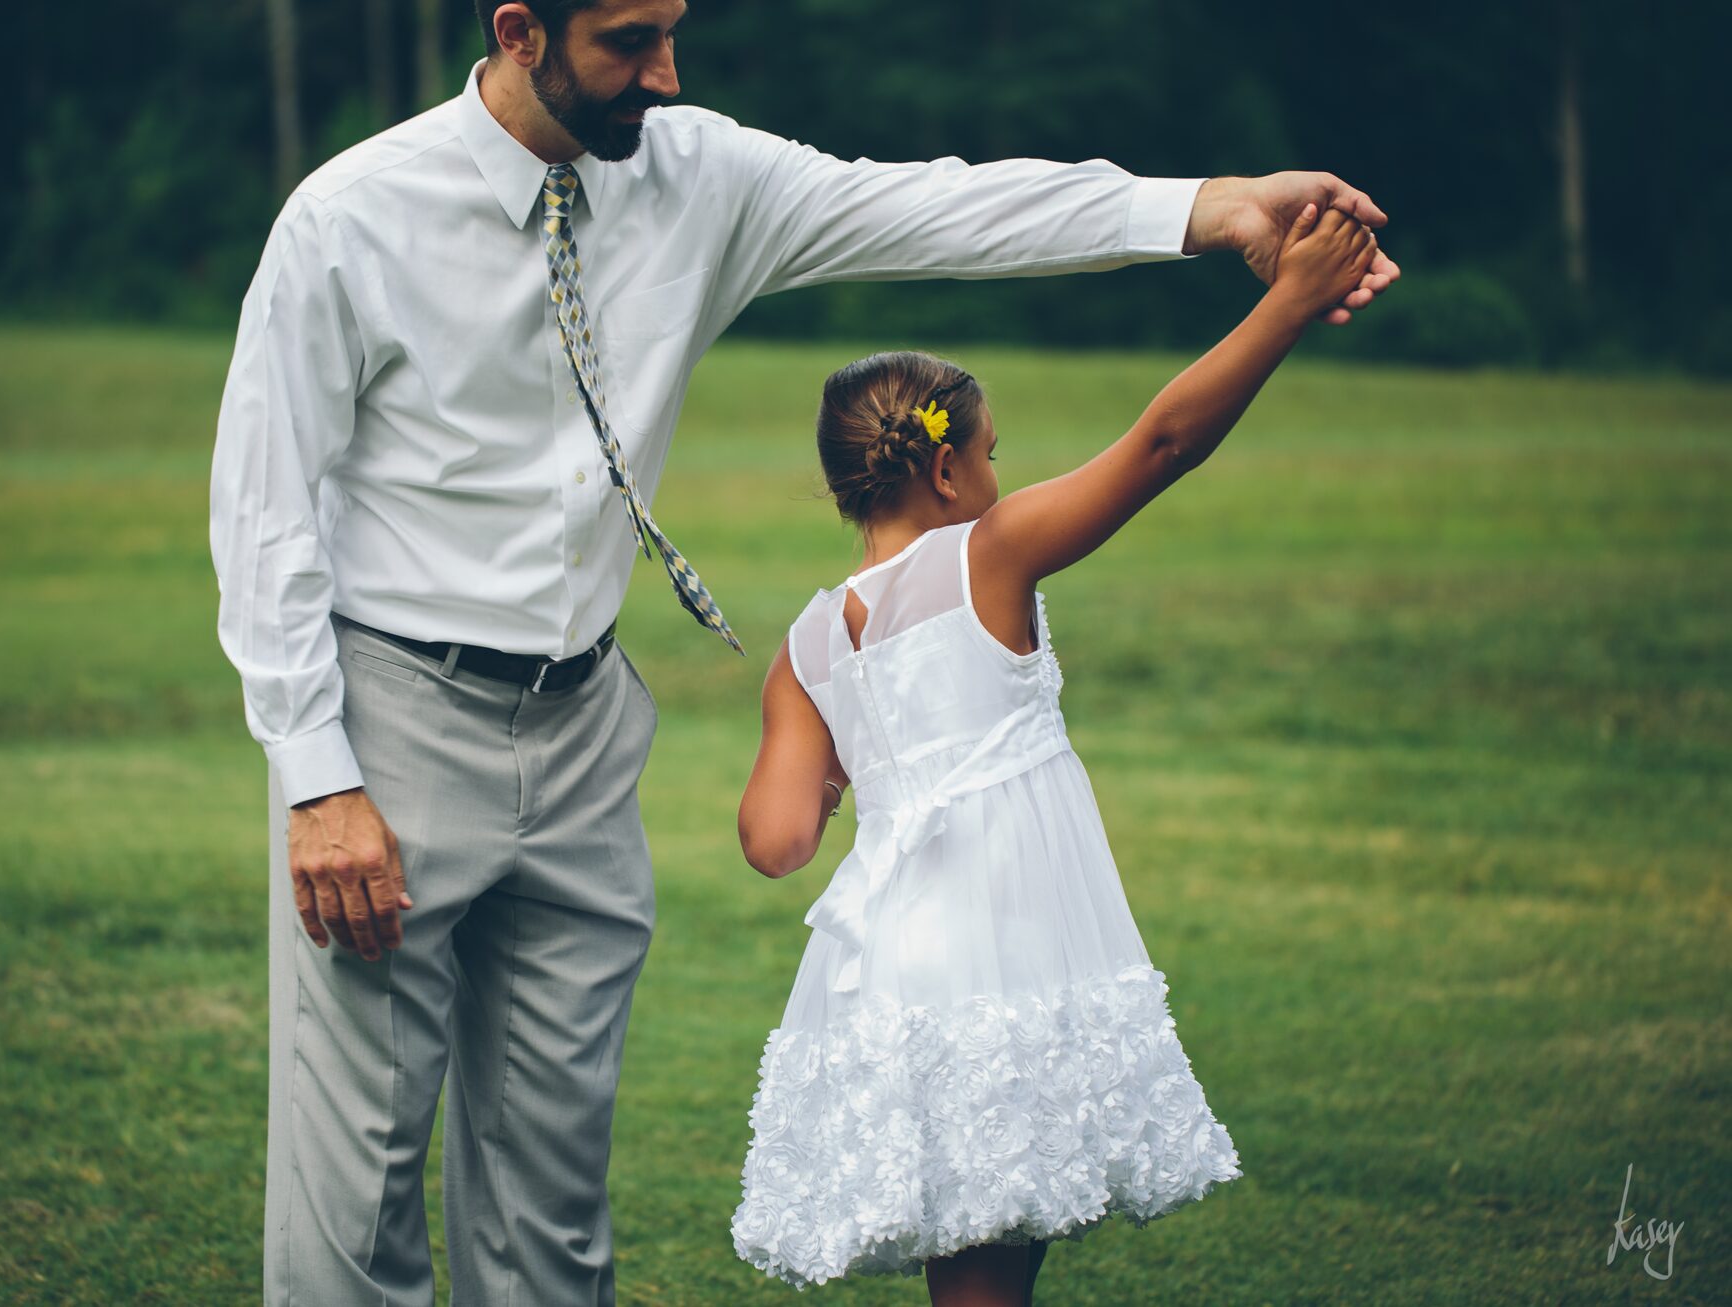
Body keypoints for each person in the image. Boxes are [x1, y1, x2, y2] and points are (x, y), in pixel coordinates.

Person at [205, 0, 1398, 1299]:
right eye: (627, 41)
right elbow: (266, 509)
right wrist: (319, 779)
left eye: (674, 29)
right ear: (519, 30)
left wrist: (1211, 206)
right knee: (359, 1181)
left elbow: (941, 209)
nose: (666, 73)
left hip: (586, 724)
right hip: (391, 723)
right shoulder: (352, 218)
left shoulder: (697, 174)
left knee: (551, 1192)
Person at [730, 204, 1377, 1302]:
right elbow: (1162, 442)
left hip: (901, 963)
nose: (997, 471)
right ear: (943, 470)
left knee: (991, 1236)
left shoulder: (802, 649)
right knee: (989, 1254)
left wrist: (849, 759)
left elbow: (777, 841)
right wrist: (1288, 303)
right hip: (1002, 956)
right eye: (989, 452)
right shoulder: (989, 553)